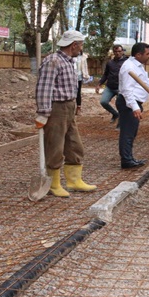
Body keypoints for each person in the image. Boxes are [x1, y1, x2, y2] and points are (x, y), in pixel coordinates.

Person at [34, 30, 97, 197]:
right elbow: (44, 88)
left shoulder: (69, 61)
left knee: (74, 145)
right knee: (55, 146)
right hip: (56, 108)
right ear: (74, 45)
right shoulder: (53, 61)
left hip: (68, 107)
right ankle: (53, 184)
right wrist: (43, 113)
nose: (82, 48)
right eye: (81, 45)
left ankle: (74, 180)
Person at [117, 42, 149, 169]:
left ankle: (129, 158)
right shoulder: (129, 67)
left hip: (133, 103)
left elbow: (145, 81)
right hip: (128, 103)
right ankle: (126, 160)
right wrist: (135, 107)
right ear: (138, 55)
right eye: (147, 54)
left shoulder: (137, 66)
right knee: (128, 133)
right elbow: (127, 90)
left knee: (131, 133)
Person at [95, 45, 128, 124]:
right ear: (113, 52)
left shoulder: (126, 62)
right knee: (103, 102)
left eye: (119, 51)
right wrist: (99, 84)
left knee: (120, 105)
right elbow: (105, 75)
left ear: (122, 51)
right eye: (115, 51)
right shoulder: (110, 63)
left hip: (121, 88)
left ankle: (121, 123)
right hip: (110, 87)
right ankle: (115, 114)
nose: (117, 53)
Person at [73, 49, 90, 115]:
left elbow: (85, 66)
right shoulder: (71, 56)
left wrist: (86, 75)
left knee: (78, 92)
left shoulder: (83, 57)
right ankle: (71, 108)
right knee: (71, 92)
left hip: (79, 77)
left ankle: (78, 108)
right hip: (71, 77)